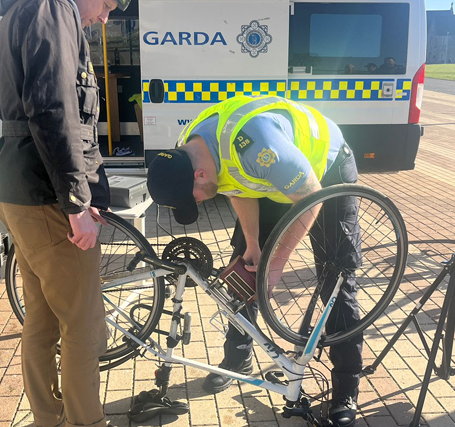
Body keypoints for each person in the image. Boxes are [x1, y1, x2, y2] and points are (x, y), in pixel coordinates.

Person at [147, 95, 362, 427]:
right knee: (244, 270)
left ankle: (346, 388)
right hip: (269, 182)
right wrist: (252, 245)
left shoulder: (258, 145)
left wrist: (275, 264)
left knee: (336, 281)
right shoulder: (188, 149)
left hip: (325, 172)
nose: (201, 202)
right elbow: (235, 187)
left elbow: (309, 197)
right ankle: (237, 359)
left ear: (199, 174)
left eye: (196, 197)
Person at [0, 0, 132, 426]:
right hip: (46, 195)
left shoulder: (20, 7)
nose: (103, 18)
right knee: (85, 326)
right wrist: (76, 203)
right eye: (106, 5)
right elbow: (53, 110)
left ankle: (49, 419)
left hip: (16, 186)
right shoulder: (53, 8)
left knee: (45, 319)